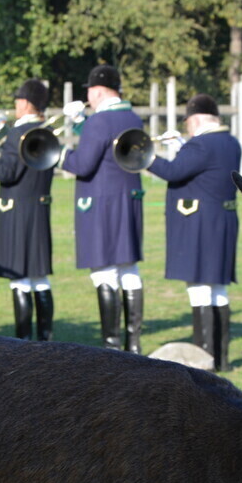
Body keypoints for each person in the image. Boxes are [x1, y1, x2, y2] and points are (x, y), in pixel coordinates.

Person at [145, 93, 242, 371]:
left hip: (200, 224)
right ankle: (221, 359)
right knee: (218, 289)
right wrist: (182, 145)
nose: (187, 127)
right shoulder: (231, 142)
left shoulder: (201, 145)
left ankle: (204, 359)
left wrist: (146, 157)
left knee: (199, 289)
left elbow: (174, 172)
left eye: (188, 122)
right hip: (223, 221)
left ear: (196, 119)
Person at [60, 64, 146, 352]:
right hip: (128, 200)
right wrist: (82, 121)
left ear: (96, 91)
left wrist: (60, 154)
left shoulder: (99, 121)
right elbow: (107, 144)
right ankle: (133, 346)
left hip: (102, 204)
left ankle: (111, 345)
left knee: (104, 273)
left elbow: (84, 164)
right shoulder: (132, 117)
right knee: (128, 269)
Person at [0, 79, 55, 340]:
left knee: (20, 280)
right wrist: (1, 131)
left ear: (24, 103)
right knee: (40, 279)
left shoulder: (17, 134)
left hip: (16, 212)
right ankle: (46, 342)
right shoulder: (46, 132)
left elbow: (6, 171)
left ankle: (23, 343)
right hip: (39, 210)